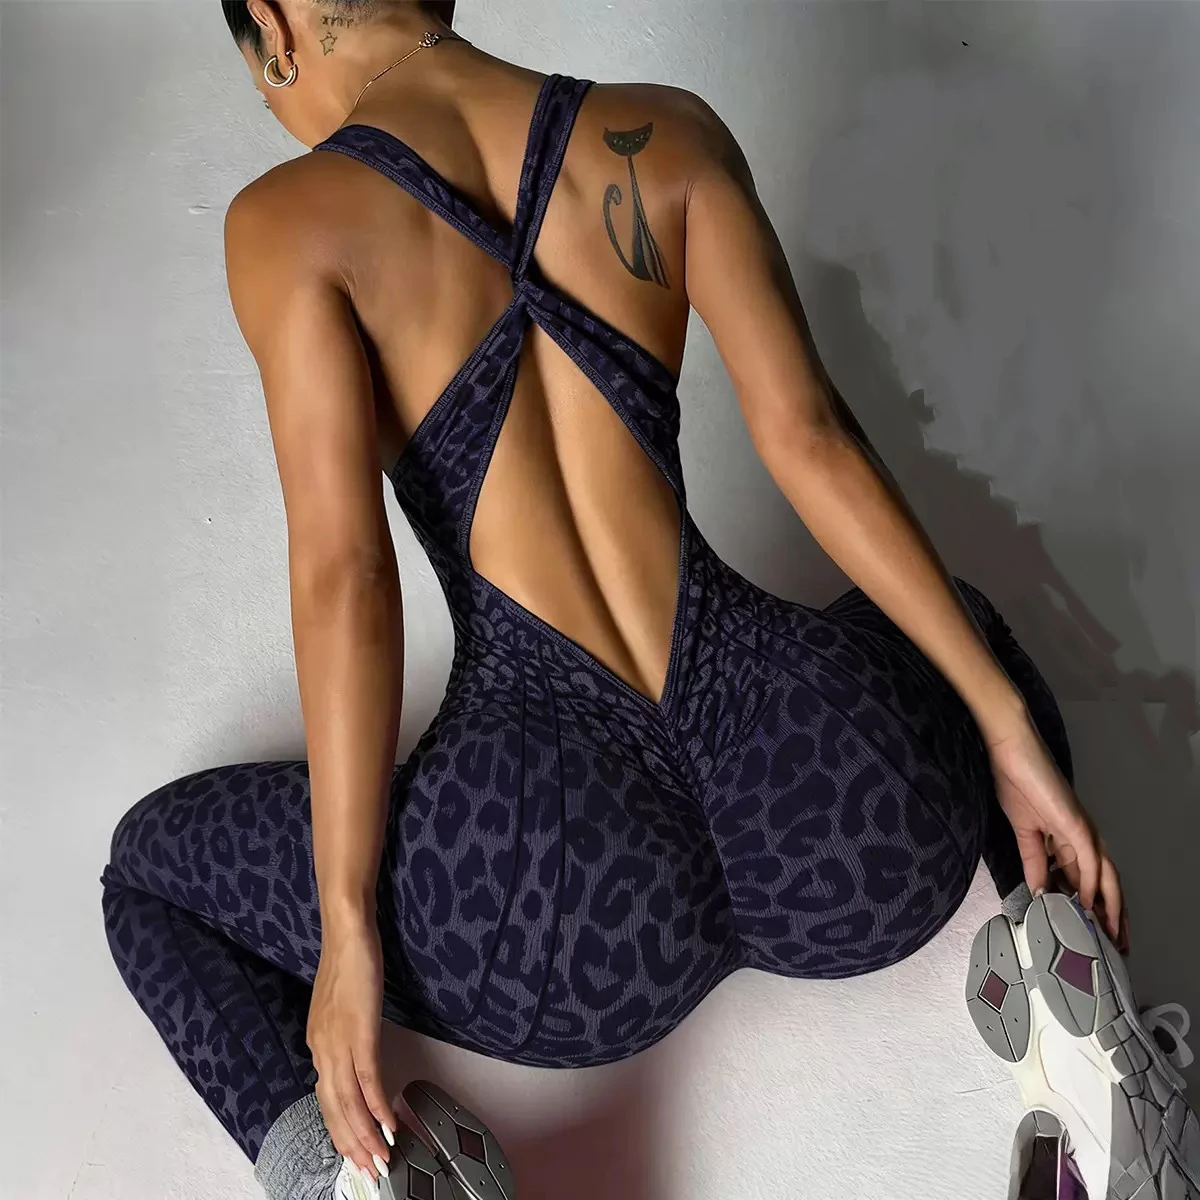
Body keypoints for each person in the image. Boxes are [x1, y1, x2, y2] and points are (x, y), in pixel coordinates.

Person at [99, 3, 1159, 1198]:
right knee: (967, 634)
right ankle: (1085, 1047)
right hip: (829, 804)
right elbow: (810, 440)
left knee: (147, 876)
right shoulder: (666, 134)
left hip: (561, 903)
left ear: (276, 24)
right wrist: (1004, 727)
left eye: (261, 80)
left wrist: (347, 930)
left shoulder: (288, 223)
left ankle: (357, 1184)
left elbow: (348, 578)